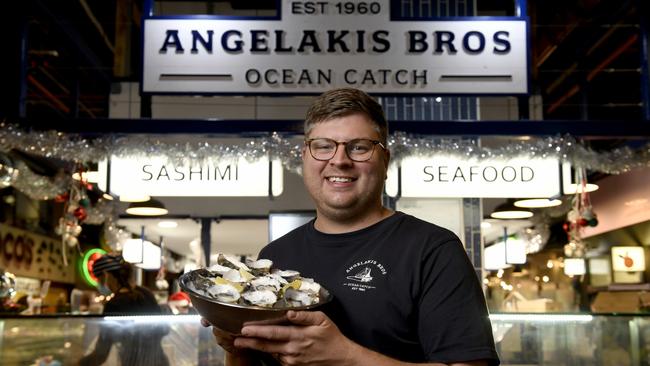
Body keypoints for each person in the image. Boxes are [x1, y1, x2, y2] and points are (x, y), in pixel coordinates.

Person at [204, 88, 500, 365]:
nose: (340, 160)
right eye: (323, 146)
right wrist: (236, 346)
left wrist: (345, 356)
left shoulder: (432, 249)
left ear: (385, 160)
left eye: (359, 147)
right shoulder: (277, 254)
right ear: (305, 157)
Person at [79, 254, 170, 366]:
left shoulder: (114, 305)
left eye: (99, 279)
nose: (99, 284)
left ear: (106, 275)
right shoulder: (146, 293)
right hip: (159, 361)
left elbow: (101, 354)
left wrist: (78, 364)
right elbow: (162, 331)